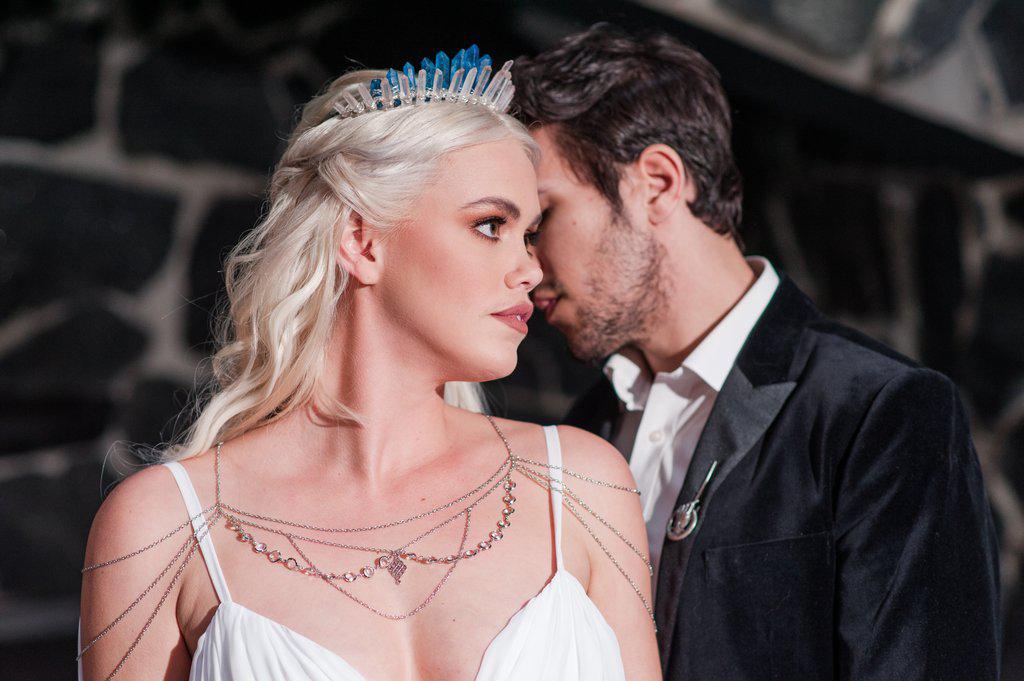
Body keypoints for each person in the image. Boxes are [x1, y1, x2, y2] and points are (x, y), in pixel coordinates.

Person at [77, 46, 660, 681]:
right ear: (362, 241)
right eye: (491, 224)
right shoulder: (161, 527)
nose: (530, 270)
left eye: (529, 235)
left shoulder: (582, 486)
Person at [514, 23, 1001, 680]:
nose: (524, 264)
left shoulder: (881, 414)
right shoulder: (579, 435)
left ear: (657, 182)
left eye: (541, 218)